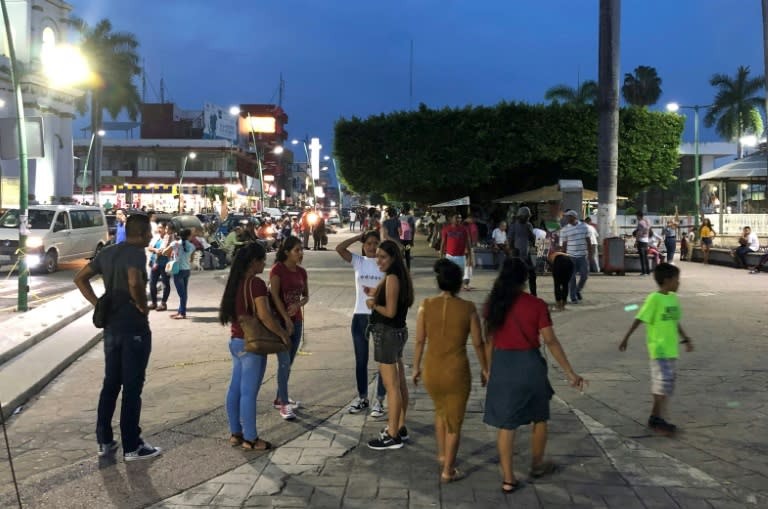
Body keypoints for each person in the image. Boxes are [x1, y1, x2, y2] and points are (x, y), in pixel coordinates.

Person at [483, 258, 584, 493]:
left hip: (503, 365)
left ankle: (508, 479)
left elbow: (489, 341)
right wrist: (570, 372)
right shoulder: (536, 305)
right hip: (530, 365)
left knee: (506, 425)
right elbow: (550, 341)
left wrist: (488, 369)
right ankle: (537, 464)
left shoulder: (493, 304)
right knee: (539, 417)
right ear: (524, 279)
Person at [73, 214, 162, 461]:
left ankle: (104, 441)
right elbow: (134, 280)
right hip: (133, 328)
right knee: (132, 388)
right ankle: (132, 446)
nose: (151, 237)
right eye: (149, 233)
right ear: (143, 233)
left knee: (111, 384)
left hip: (111, 327)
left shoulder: (108, 253)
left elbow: (79, 278)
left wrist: (98, 303)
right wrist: (142, 304)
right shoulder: (136, 253)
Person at [412, 259, 488, 482]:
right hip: (456, 371)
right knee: (454, 421)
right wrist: (485, 369)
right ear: (457, 283)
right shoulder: (468, 308)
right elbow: (478, 343)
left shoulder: (426, 305)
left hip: (431, 369)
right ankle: (448, 470)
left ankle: (442, 454)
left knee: (440, 411)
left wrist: (415, 368)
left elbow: (419, 341)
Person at [219, 242, 289, 450]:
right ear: (253, 262)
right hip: (252, 344)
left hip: (236, 341)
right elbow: (264, 316)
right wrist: (282, 334)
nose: (264, 265)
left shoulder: (235, 282)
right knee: (249, 392)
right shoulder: (255, 284)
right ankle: (251, 438)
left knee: (235, 389)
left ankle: (235, 433)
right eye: (262, 261)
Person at [619, 263, 693, 434]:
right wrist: (626, 338)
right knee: (663, 384)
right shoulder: (654, 299)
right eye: (676, 280)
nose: (679, 283)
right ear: (667, 281)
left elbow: (675, 322)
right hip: (659, 349)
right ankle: (657, 418)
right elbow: (639, 318)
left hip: (671, 349)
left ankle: (656, 417)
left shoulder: (673, 298)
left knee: (666, 384)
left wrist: (686, 339)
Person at [366, 240, 414, 450]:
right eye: (377, 256)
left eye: (383, 257)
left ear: (393, 258)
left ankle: (392, 434)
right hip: (397, 333)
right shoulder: (398, 276)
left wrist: (374, 304)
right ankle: (400, 427)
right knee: (400, 383)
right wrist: (374, 293)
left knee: (391, 386)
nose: (379, 260)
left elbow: (390, 311)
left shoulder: (393, 278)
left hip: (388, 333)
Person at [336, 231, 387, 417]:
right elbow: (339, 248)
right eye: (369, 244)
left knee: (383, 361)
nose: (372, 247)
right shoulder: (359, 261)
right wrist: (358, 236)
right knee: (361, 361)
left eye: (376, 243)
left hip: (380, 317)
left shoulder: (385, 263)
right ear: (363, 246)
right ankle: (363, 398)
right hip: (360, 316)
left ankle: (380, 401)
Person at [270, 237, 309, 420]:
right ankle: (284, 404)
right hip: (280, 322)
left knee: (289, 362)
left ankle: (280, 397)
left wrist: (298, 304)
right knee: (284, 362)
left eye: (301, 250)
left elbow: (306, 296)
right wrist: (286, 318)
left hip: (298, 321)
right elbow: (275, 296)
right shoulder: (278, 270)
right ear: (287, 252)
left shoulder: (302, 271)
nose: (300, 253)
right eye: (297, 250)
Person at [560, 210, 592, 303]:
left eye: (567, 216)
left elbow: (588, 241)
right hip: (570, 256)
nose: (566, 218)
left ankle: (577, 290)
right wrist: (563, 257)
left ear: (573, 217)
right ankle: (573, 296)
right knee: (572, 277)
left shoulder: (584, 227)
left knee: (584, 276)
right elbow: (564, 245)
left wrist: (590, 255)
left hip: (582, 256)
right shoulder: (565, 229)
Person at [508, 207, 537, 296]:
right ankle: (515, 294)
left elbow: (533, 240)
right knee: (517, 276)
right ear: (521, 216)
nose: (528, 218)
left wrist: (529, 230)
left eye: (528, 217)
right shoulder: (513, 226)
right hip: (517, 255)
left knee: (532, 275)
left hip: (526, 254)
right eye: (526, 217)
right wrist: (513, 253)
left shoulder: (529, 225)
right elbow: (510, 240)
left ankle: (533, 294)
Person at [167, 228, 195, 319]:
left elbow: (164, 252)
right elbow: (191, 259)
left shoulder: (175, 244)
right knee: (184, 293)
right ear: (188, 236)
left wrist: (172, 255)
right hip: (187, 270)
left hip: (178, 270)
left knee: (182, 294)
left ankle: (182, 313)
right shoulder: (192, 246)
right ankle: (181, 311)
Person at [147, 222, 172, 312]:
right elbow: (149, 247)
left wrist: (159, 251)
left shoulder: (168, 238)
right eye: (158, 228)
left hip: (165, 264)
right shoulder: (156, 238)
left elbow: (164, 251)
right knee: (152, 283)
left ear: (165, 228)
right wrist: (155, 250)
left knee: (166, 284)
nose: (159, 229)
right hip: (155, 264)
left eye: (161, 228)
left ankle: (163, 303)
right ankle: (154, 303)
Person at [440, 213, 472, 279]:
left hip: (461, 257)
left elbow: (468, 243)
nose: (459, 219)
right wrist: (441, 256)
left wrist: (470, 258)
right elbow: (443, 243)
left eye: (460, 218)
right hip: (449, 256)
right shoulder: (446, 229)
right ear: (451, 219)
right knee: (448, 276)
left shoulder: (464, 229)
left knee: (459, 276)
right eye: (456, 218)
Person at [461, 213, 479, 289]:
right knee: (467, 265)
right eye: (473, 219)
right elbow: (465, 237)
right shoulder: (465, 226)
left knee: (469, 265)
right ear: (470, 218)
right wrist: (466, 248)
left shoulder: (470, 225)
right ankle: (465, 284)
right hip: (466, 247)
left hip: (469, 246)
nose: (474, 220)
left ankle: (466, 284)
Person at [399, 205, 416, 270]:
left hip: (403, 239)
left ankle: (405, 268)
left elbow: (413, 229)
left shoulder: (405, 217)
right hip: (407, 239)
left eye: (403, 209)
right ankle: (407, 268)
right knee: (407, 253)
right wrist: (412, 240)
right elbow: (413, 229)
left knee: (403, 253)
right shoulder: (409, 217)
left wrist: (412, 239)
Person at [634, 211, 651, 275]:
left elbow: (639, 233)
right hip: (646, 241)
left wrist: (636, 241)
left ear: (639, 216)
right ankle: (648, 271)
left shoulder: (640, 223)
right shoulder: (647, 222)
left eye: (637, 216)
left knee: (642, 257)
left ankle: (644, 272)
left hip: (641, 241)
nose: (636, 218)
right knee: (646, 257)